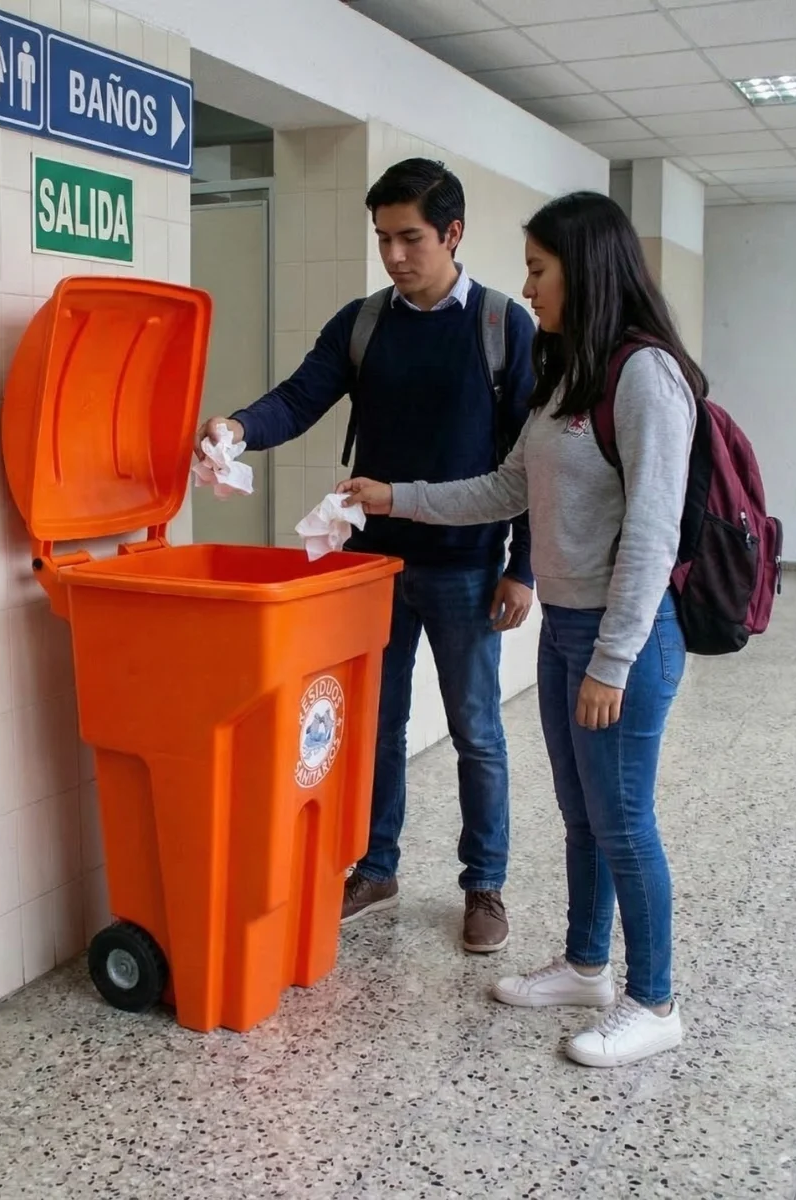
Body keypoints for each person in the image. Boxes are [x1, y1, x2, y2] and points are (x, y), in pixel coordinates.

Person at [338, 190, 700, 1068]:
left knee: (624, 820)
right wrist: (397, 497)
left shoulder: (645, 375)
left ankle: (655, 1000)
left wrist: (612, 661)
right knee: (582, 815)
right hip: (570, 629)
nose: (528, 287)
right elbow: (505, 488)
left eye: (540, 269)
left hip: (628, 638)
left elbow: (654, 533)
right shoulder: (570, 370)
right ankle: (585, 965)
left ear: (587, 269)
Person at [196, 159, 536, 954]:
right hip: (371, 566)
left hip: (466, 566)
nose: (393, 256)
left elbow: (531, 460)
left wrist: (524, 566)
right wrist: (238, 429)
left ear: (453, 233)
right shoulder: (364, 323)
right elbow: (299, 395)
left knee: (476, 730)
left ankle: (484, 884)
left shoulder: (500, 326)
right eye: (382, 238)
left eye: (410, 238)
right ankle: (376, 865)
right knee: (375, 725)